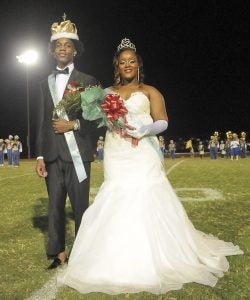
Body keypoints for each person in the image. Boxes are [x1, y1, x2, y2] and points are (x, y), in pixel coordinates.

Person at [58, 38, 243, 294]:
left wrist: (146, 129)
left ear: (138, 64)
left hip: (142, 151)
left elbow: (163, 121)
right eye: (122, 62)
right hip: (116, 151)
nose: (127, 65)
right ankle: (113, 257)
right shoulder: (106, 92)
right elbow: (98, 119)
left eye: (131, 61)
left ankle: (153, 256)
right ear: (117, 66)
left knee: (145, 193)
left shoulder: (150, 91)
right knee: (116, 194)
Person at [35, 14, 99, 270]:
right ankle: (58, 252)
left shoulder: (88, 81)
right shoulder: (43, 84)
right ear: (52, 51)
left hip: (79, 154)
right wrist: (40, 155)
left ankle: (83, 252)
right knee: (54, 208)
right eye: (58, 45)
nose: (63, 48)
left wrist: (73, 125)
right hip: (51, 155)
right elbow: (40, 121)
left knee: (81, 206)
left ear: (75, 50)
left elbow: (95, 121)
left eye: (68, 45)